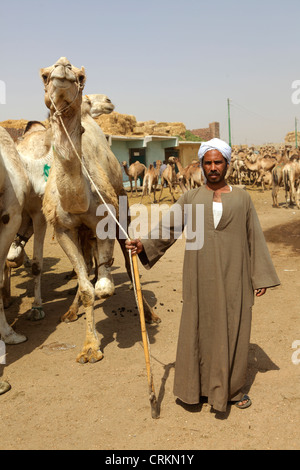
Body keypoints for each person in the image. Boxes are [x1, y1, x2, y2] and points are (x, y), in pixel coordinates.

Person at [126, 138, 280, 413]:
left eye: (217, 162)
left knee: (233, 329)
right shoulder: (191, 198)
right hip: (199, 277)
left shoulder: (243, 198)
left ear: (227, 164)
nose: (212, 167)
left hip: (236, 277)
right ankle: (193, 390)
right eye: (207, 162)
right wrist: (143, 245)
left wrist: (261, 277)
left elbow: (253, 237)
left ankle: (230, 392)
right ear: (202, 165)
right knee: (197, 330)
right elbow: (169, 229)